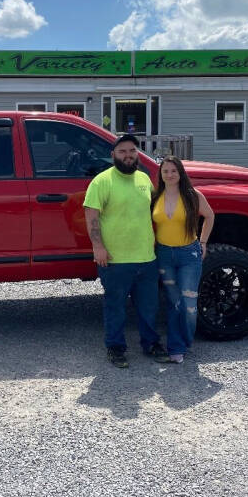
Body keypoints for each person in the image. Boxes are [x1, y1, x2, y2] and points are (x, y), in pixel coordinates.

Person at [84, 134, 171, 368]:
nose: (128, 155)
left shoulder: (144, 179)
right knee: (116, 307)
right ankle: (115, 348)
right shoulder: (102, 181)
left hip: (146, 257)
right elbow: (91, 215)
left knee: (149, 307)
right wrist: (98, 247)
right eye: (122, 151)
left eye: (132, 151)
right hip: (115, 260)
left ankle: (151, 343)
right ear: (113, 155)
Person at [152, 156, 215, 364]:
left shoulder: (191, 195)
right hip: (164, 255)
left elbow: (210, 215)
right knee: (173, 302)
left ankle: (186, 341)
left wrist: (203, 243)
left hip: (189, 255)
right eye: (165, 171)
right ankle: (175, 347)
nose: (169, 175)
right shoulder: (156, 196)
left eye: (173, 171)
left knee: (188, 303)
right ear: (160, 175)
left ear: (180, 173)